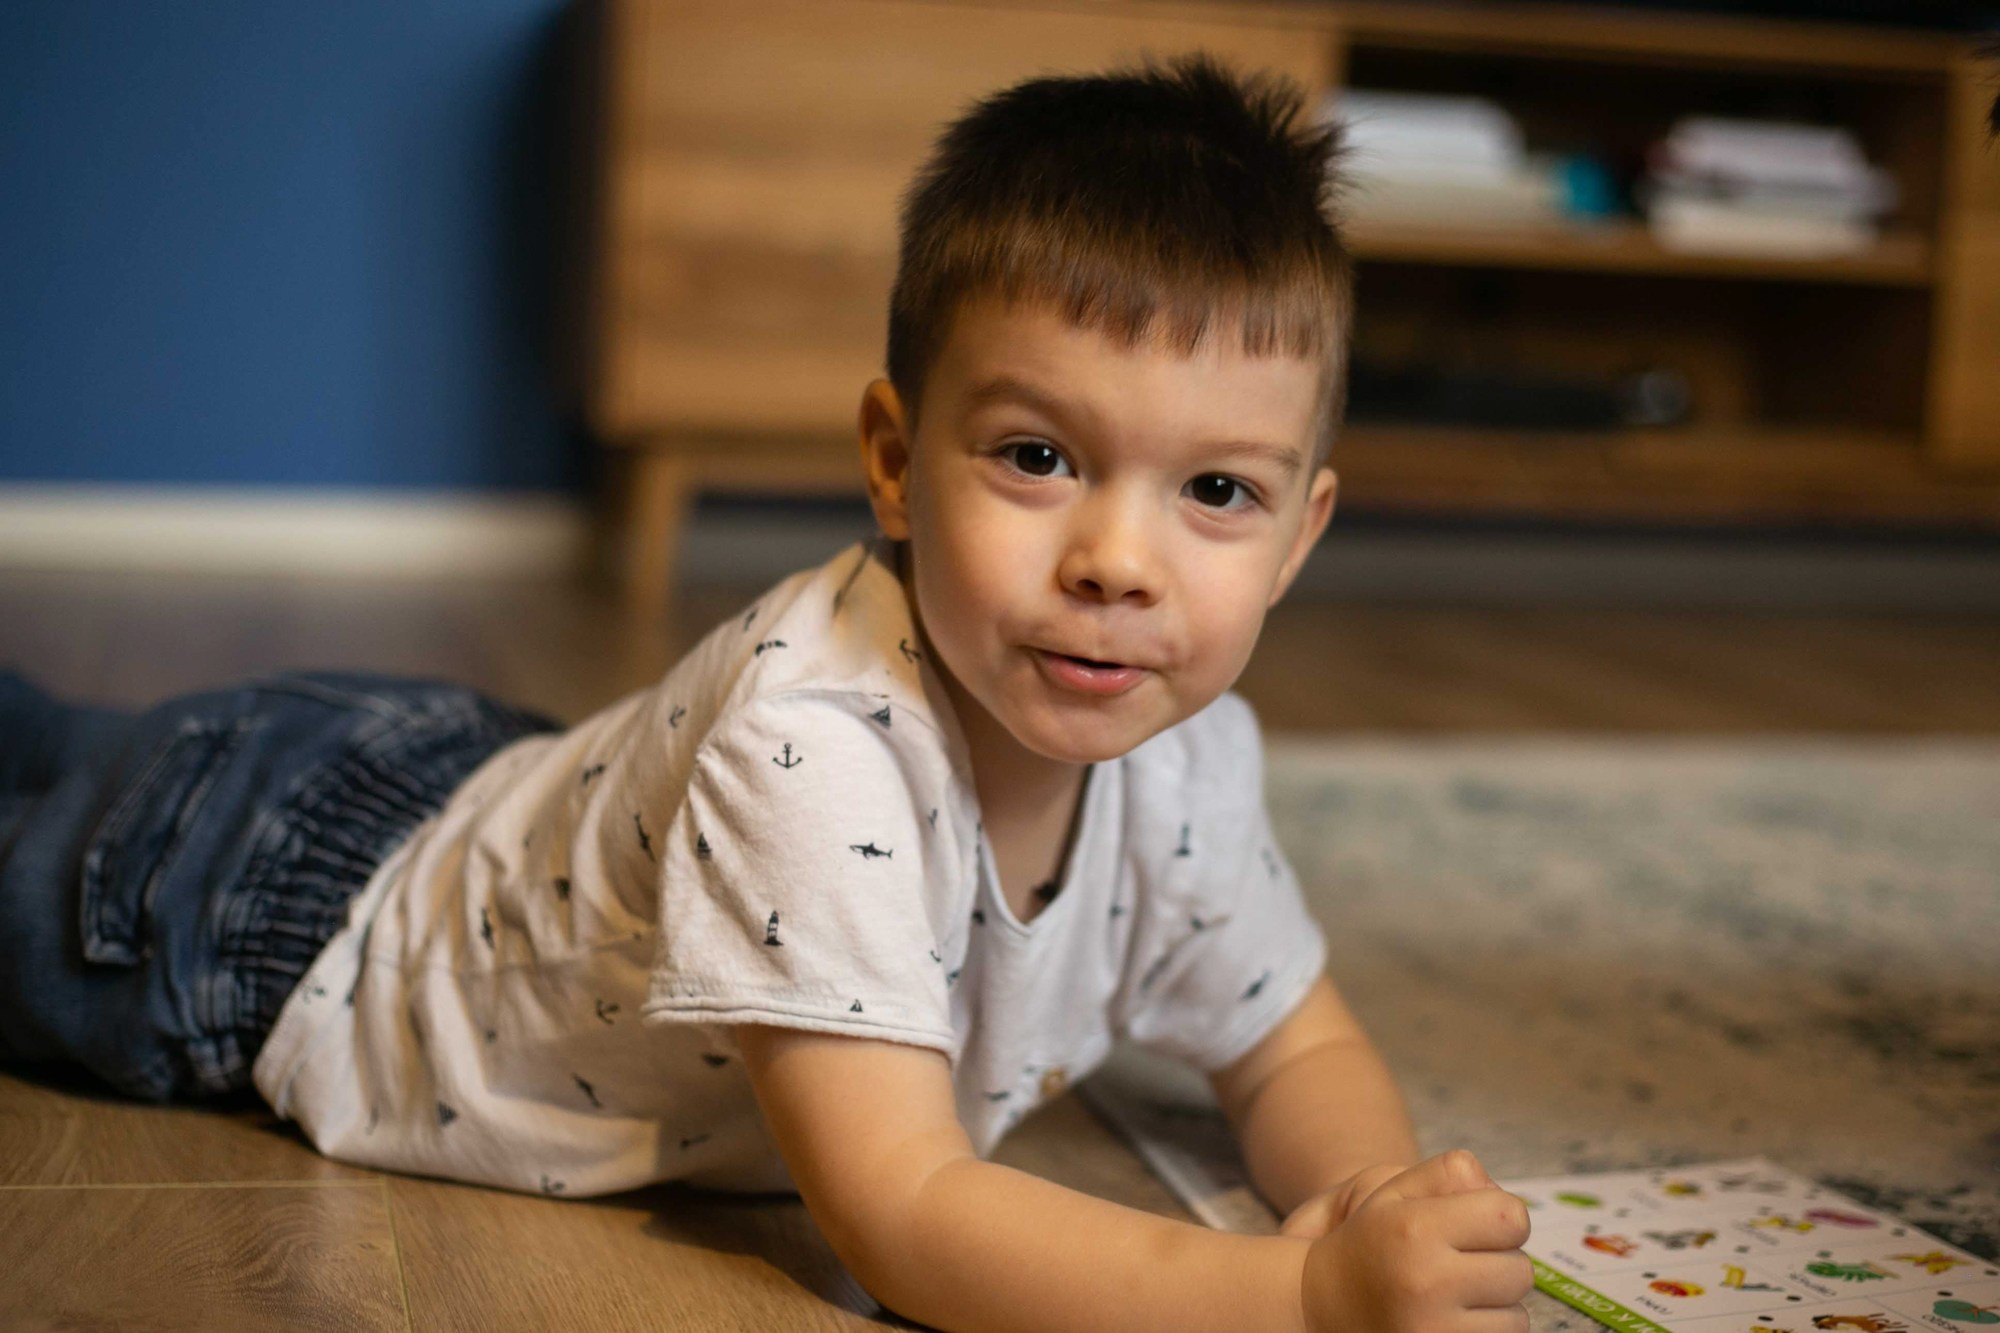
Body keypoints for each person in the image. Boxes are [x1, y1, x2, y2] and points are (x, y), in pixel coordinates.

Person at [0, 55, 1531, 1333]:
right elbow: (905, 1216)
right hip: (251, 914)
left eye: (1215, 488)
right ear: (893, 459)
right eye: (1038, 457)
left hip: (454, 788)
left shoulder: (1192, 765)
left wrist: (1365, 1195)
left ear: (1298, 536)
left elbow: (1293, 1045)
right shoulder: (814, 754)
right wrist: (1307, 1294)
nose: (1117, 560)